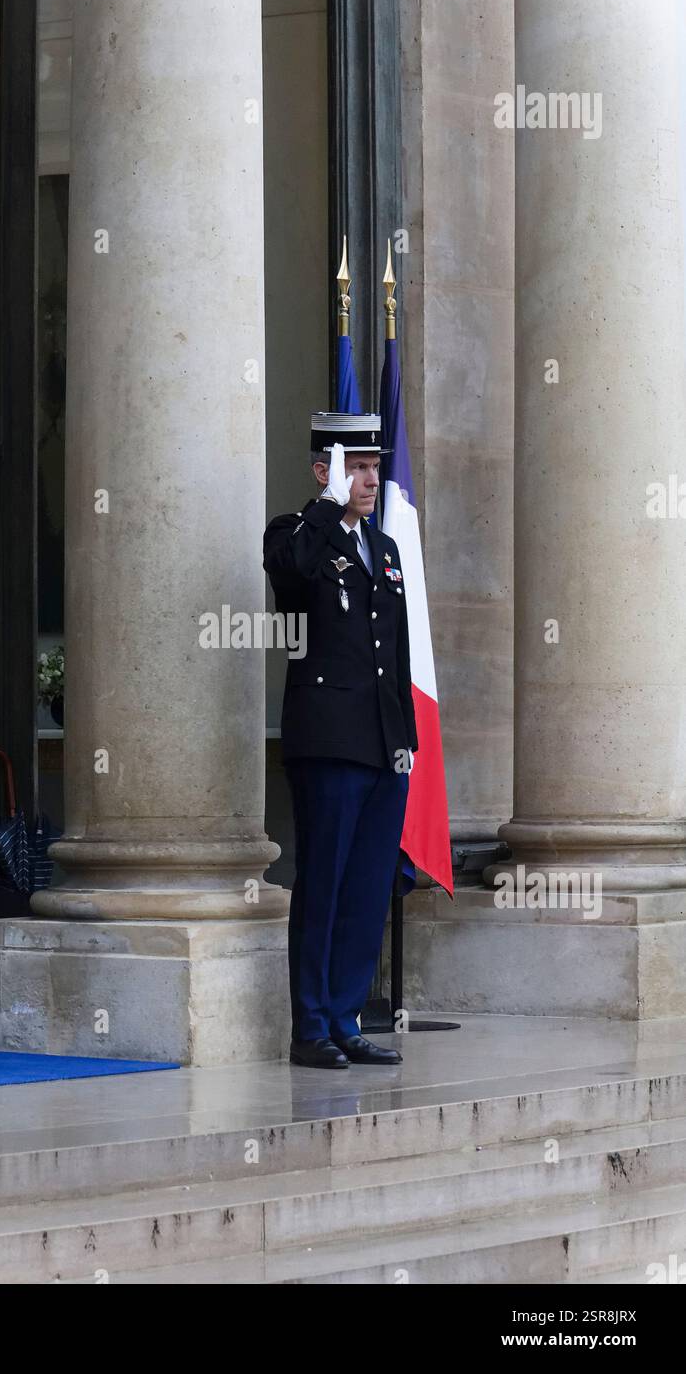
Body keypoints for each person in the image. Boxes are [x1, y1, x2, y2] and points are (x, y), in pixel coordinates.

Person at [263, 412, 417, 1068]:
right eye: (355, 466)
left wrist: (406, 742)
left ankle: (347, 1016)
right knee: (323, 883)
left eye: (376, 466)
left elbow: (397, 656)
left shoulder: (383, 551)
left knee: (367, 885)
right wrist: (324, 508)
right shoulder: (297, 536)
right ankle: (311, 1026)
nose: (369, 478)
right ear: (324, 473)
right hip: (328, 743)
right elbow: (291, 578)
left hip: (383, 744)